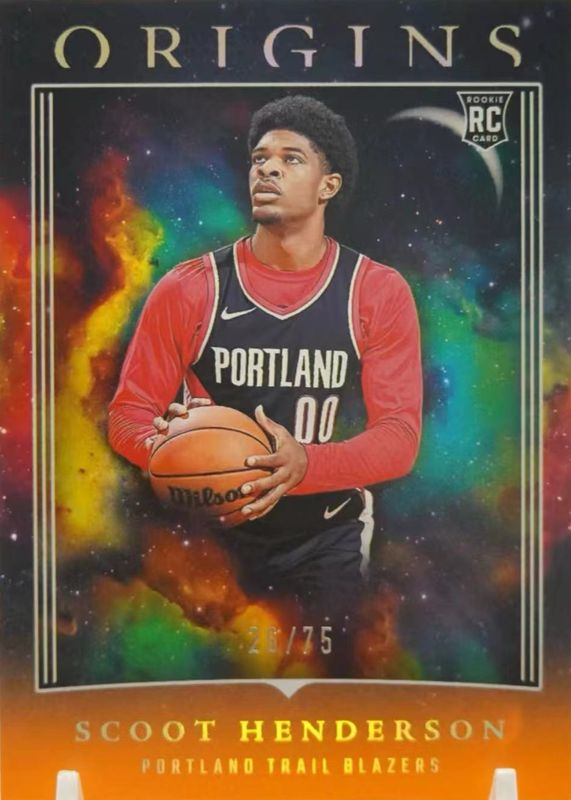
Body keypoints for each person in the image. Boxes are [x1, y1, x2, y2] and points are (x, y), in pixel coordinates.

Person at [108, 95, 422, 669]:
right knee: (214, 694)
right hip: (209, 535)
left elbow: (399, 439)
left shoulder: (375, 291)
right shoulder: (190, 288)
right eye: (259, 158)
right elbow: (128, 414)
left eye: (290, 159)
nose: (267, 170)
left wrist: (305, 465)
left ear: (328, 186)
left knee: (327, 690)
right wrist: (164, 450)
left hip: (325, 534)